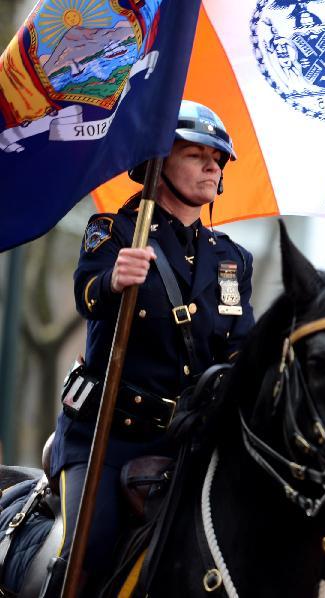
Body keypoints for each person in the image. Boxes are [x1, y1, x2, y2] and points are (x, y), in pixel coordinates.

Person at [49, 100, 255, 585]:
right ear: (158, 164)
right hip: (107, 436)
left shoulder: (233, 258)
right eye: (195, 155)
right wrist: (113, 282)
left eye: (217, 158)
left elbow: (240, 346)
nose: (212, 165)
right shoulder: (115, 231)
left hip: (189, 442)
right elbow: (85, 295)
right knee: (87, 553)